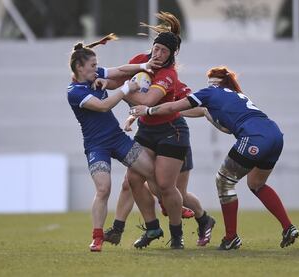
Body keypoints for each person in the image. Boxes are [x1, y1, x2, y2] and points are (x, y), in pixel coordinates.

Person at [131, 66, 299, 250]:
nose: (208, 84)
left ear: (214, 83)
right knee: (256, 184)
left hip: (254, 138)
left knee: (224, 181)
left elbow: (174, 106)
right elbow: (221, 124)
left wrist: (147, 110)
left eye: (210, 80)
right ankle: (288, 227)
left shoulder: (210, 92)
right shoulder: (235, 95)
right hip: (274, 135)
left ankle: (231, 237)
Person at [110, 12, 214, 249]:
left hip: (172, 132)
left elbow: (147, 101)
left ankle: (183, 231)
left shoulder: (170, 76)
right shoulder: (140, 61)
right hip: (148, 131)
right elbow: (122, 83)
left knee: (169, 189)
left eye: (163, 52)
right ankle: (152, 228)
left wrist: (125, 93)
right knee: (132, 179)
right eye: (155, 49)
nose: (157, 54)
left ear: (171, 55)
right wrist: (100, 80)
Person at [66, 35, 164, 252]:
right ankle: (97, 237)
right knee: (103, 189)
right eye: (92, 65)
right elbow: (103, 105)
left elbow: (119, 70)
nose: (97, 69)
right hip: (96, 146)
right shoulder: (74, 92)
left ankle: (168, 204)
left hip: (117, 138)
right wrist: (127, 88)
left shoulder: (95, 75)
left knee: (151, 171)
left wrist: (143, 65)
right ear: (79, 67)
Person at [104, 79, 215, 247]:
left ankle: (203, 219)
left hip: (173, 137)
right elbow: (141, 105)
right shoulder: (144, 80)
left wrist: (171, 110)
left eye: (160, 52)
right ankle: (138, 228)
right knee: (130, 181)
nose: (155, 58)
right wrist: (132, 117)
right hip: (147, 136)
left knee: (177, 193)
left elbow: (199, 109)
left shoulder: (172, 82)